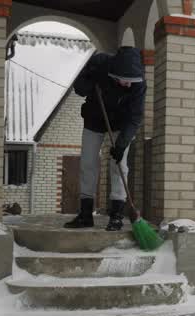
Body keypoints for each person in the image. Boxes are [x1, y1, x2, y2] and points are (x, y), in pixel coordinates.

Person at [64, 46, 146, 231]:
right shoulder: (100, 63)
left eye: (132, 81)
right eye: (125, 81)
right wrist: (90, 79)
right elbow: (79, 88)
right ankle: (85, 215)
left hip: (121, 123)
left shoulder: (138, 84)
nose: (128, 85)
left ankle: (116, 215)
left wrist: (122, 144)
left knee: (119, 165)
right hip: (94, 118)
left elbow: (135, 118)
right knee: (88, 163)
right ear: (115, 74)